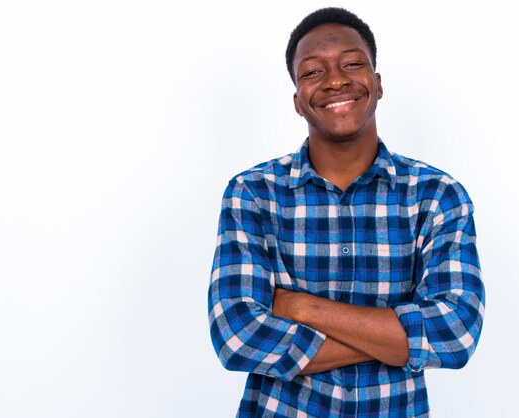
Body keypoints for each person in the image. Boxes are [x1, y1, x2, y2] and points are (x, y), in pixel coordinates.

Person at [207, 7, 485, 418]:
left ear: (377, 83)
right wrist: (395, 340)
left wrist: (303, 309)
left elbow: (456, 331)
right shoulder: (253, 193)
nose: (336, 80)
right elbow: (237, 335)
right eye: (312, 72)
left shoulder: (437, 195)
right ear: (298, 101)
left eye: (352, 64)